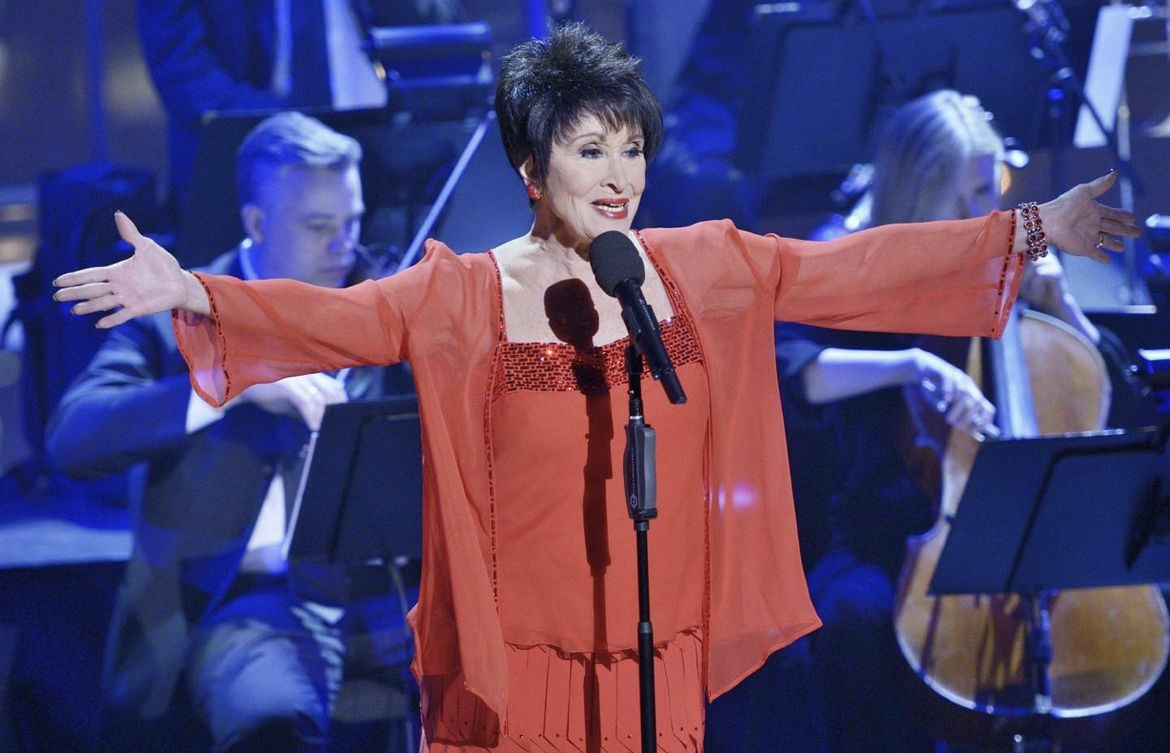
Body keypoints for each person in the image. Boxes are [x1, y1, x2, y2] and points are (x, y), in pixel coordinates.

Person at [52, 24, 1137, 753]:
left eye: (631, 150)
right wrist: (190, 289)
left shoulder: (702, 265)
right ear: (533, 172)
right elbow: (327, 319)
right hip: (519, 659)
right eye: (590, 153)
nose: (620, 177)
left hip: (648, 645)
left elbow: (855, 268)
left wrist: (1029, 229)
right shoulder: (460, 292)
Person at [762, 89, 1155, 753]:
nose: (989, 215)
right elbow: (795, 368)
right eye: (967, 196)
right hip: (893, 539)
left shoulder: (1011, 280)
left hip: (1033, 538)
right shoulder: (855, 274)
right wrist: (912, 364)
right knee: (853, 621)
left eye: (990, 191)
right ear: (918, 196)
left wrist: (1062, 306)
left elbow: (1124, 401)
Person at [46, 111, 417, 753]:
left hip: (389, 596)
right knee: (271, 721)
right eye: (319, 226)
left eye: (352, 222)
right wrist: (224, 383)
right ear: (257, 223)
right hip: (249, 604)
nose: (344, 246)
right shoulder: (174, 315)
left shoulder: (378, 296)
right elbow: (73, 438)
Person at [138, 0, 463, 216]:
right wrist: (296, 128)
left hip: (390, 157)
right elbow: (185, 76)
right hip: (252, 165)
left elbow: (441, 30)